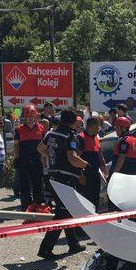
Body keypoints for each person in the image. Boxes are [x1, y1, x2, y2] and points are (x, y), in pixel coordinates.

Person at [37, 109, 89, 259]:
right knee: (61, 214)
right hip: (65, 179)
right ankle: (45, 249)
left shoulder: (51, 134)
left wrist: (53, 158)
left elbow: (40, 148)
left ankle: (73, 244)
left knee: (67, 210)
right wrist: (86, 165)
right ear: (73, 122)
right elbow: (72, 158)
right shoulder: (70, 136)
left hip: (53, 177)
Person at [13, 105, 44, 210]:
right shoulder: (19, 129)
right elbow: (16, 145)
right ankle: (25, 207)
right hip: (24, 161)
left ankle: (38, 207)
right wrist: (16, 158)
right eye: (29, 116)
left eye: (33, 116)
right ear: (25, 117)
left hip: (37, 161)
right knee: (24, 187)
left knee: (38, 186)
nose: (31, 118)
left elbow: (44, 146)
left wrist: (44, 161)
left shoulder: (41, 128)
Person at [77, 117, 107, 208]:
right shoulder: (80, 138)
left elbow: (101, 158)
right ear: (92, 125)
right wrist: (81, 175)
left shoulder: (96, 139)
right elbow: (76, 158)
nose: (99, 128)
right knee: (85, 202)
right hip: (85, 177)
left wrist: (105, 174)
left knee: (95, 202)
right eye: (98, 125)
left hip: (95, 176)